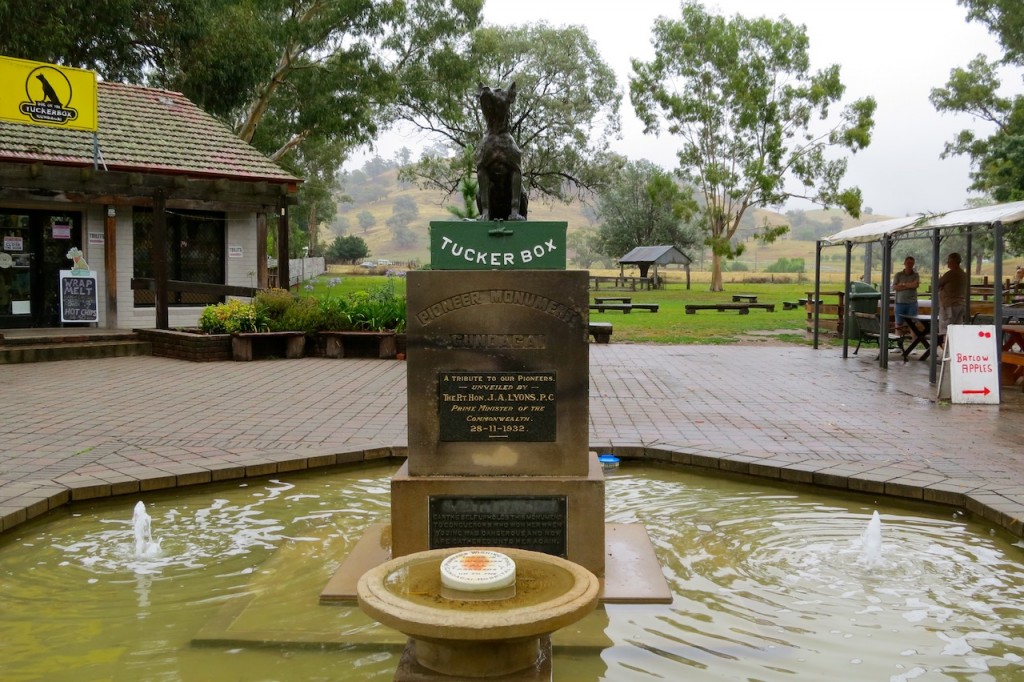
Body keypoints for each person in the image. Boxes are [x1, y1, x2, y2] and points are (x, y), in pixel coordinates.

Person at [937, 252, 968, 340]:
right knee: (956, 329)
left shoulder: (950, 274)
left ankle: (947, 350)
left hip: (949, 305)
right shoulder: (963, 274)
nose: (947, 263)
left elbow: (937, 284)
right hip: (960, 304)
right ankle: (954, 350)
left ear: (953, 262)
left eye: (949, 261)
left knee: (946, 330)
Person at [892, 256, 920, 328]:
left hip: (912, 303)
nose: (909, 264)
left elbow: (915, 285)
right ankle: (898, 338)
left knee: (913, 324)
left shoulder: (916, 275)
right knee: (899, 324)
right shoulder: (898, 275)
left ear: (913, 264)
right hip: (899, 303)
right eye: (908, 263)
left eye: (911, 263)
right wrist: (910, 285)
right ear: (904, 263)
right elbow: (894, 287)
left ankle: (913, 339)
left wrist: (902, 284)